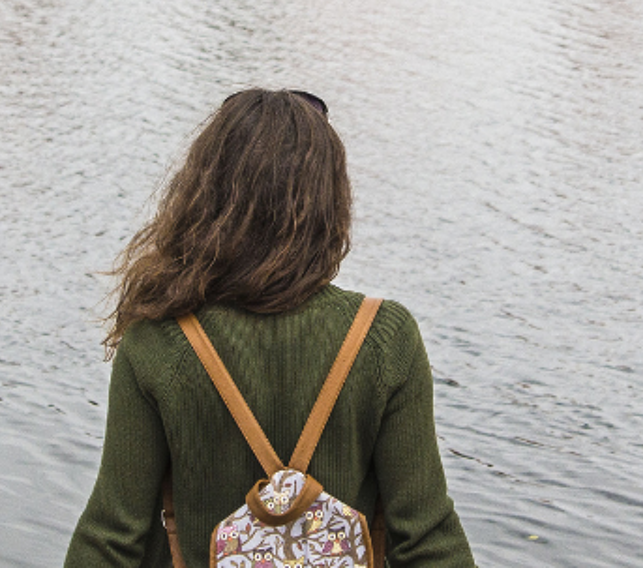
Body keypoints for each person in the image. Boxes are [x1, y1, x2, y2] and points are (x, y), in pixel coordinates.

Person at [64, 89, 475, 568]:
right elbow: (427, 539)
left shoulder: (158, 342)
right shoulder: (384, 337)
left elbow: (113, 537)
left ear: (205, 196)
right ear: (330, 202)